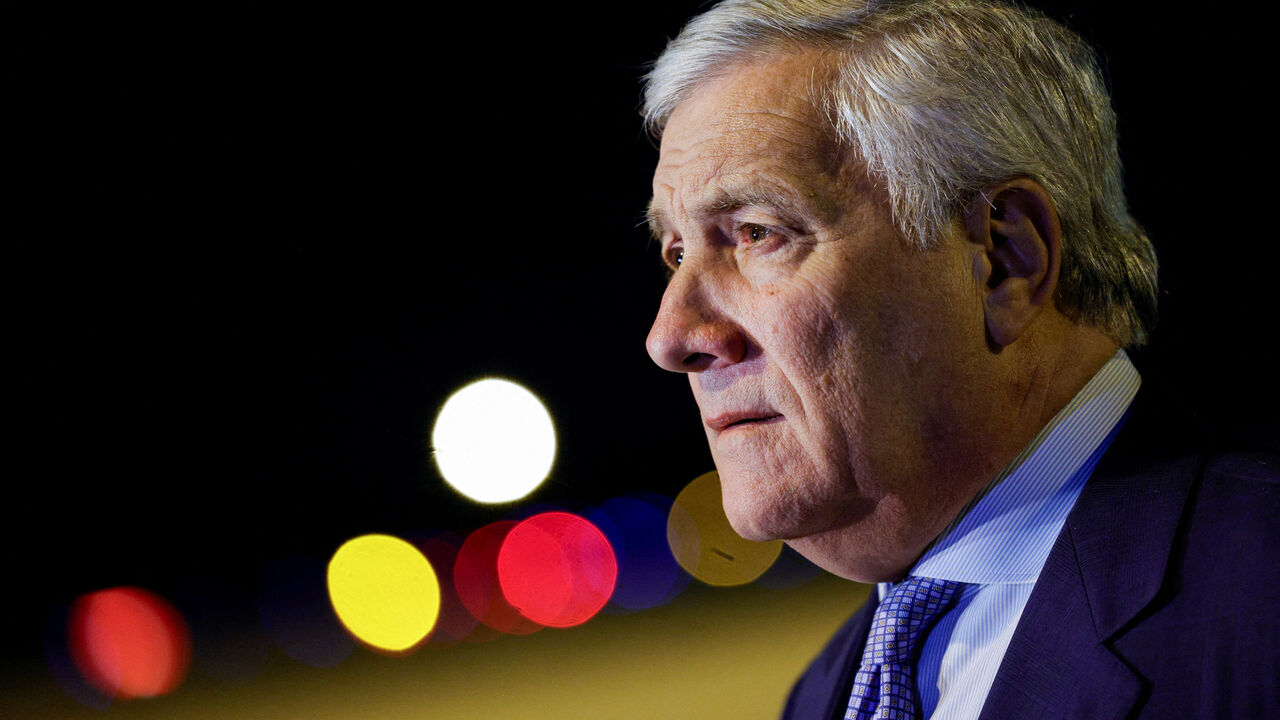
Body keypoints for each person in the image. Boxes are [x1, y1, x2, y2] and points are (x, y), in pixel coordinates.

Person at [640, 1, 1279, 718]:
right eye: (675, 252)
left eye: (757, 232)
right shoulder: (823, 694)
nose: (671, 336)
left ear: (1005, 260)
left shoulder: (1261, 601)